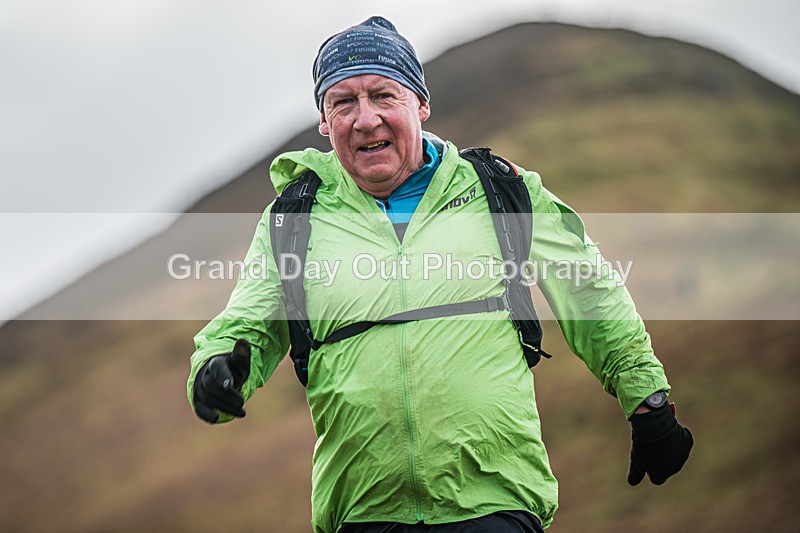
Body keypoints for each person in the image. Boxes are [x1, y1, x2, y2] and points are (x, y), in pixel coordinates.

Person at [187, 16, 693, 533]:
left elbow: (591, 293)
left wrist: (647, 400)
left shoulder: (500, 190)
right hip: (362, 515)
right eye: (344, 102)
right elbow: (245, 327)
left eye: (384, 95)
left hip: (494, 507)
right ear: (324, 120)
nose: (365, 120)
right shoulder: (294, 218)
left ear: (421, 105)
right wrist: (216, 375)